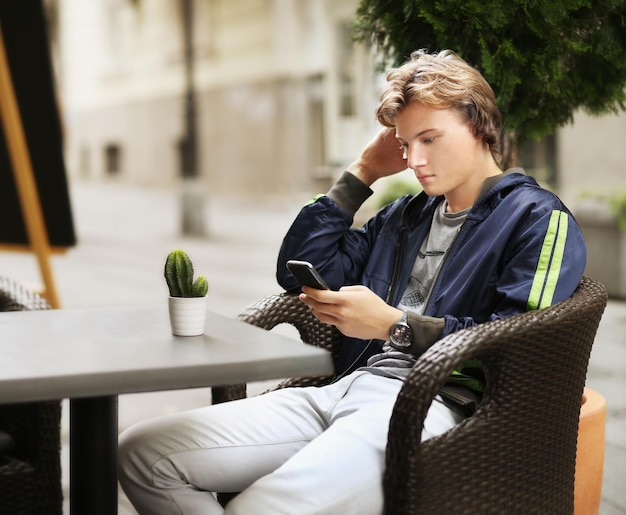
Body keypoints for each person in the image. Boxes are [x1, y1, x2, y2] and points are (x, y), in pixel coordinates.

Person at [118, 49, 586, 515]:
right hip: (347, 386)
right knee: (143, 453)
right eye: (405, 144)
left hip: (435, 407)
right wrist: (363, 171)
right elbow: (298, 267)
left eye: (430, 138)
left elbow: (521, 350)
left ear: (479, 126)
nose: (415, 160)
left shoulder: (535, 218)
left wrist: (395, 326)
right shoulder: (406, 215)